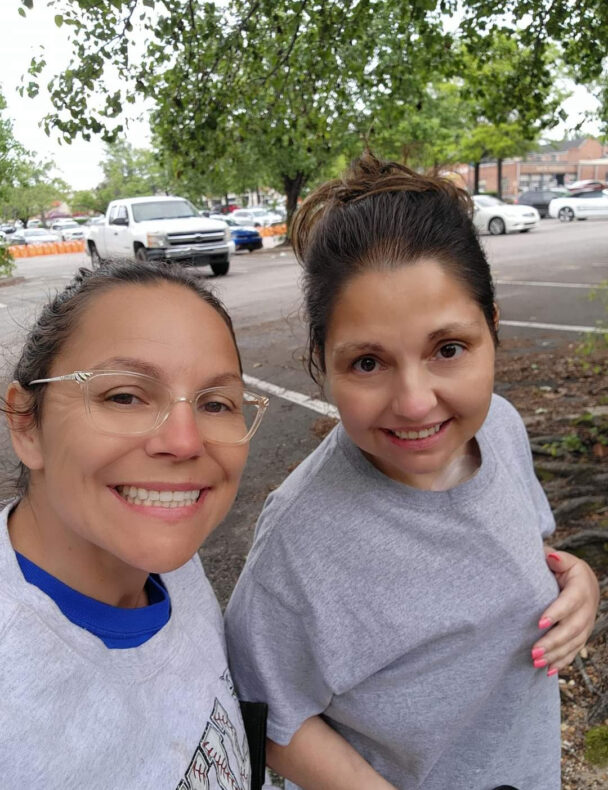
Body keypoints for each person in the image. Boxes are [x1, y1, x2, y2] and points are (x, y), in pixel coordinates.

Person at [224, 153, 600, 790]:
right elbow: (268, 712)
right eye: (368, 363)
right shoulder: (300, 543)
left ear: (493, 330)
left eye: (448, 349)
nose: (417, 402)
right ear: (320, 363)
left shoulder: (500, 427)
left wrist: (578, 585)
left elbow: (525, 551)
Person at [0, 260, 268, 788]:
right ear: (26, 424)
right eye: (124, 396)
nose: (185, 442)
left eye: (217, 403)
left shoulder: (171, 567)